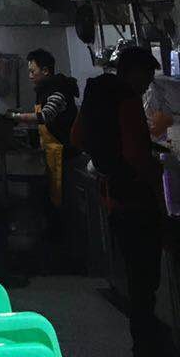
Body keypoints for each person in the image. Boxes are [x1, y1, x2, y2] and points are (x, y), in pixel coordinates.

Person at [73, 46, 166, 357]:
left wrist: (106, 161)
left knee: (135, 274)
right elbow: (136, 154)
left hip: (113, 196)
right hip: (137, 199)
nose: (147, 84)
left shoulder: (97, 94)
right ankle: (147, 343)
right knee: (145, 279)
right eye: (147, 76)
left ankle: (144, 338)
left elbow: (77, 137)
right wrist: (156, 173)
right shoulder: (127, 100)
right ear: (133, 72)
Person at [13, 48, 80, 209]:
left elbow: (45, 116)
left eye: (32, 71)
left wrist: (16, 117)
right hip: (54, 152)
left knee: (66, 203)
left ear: (45, 71)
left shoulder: (57, 88)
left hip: (65, 154)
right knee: (55, 199)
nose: (30, 76)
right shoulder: (45, 89)